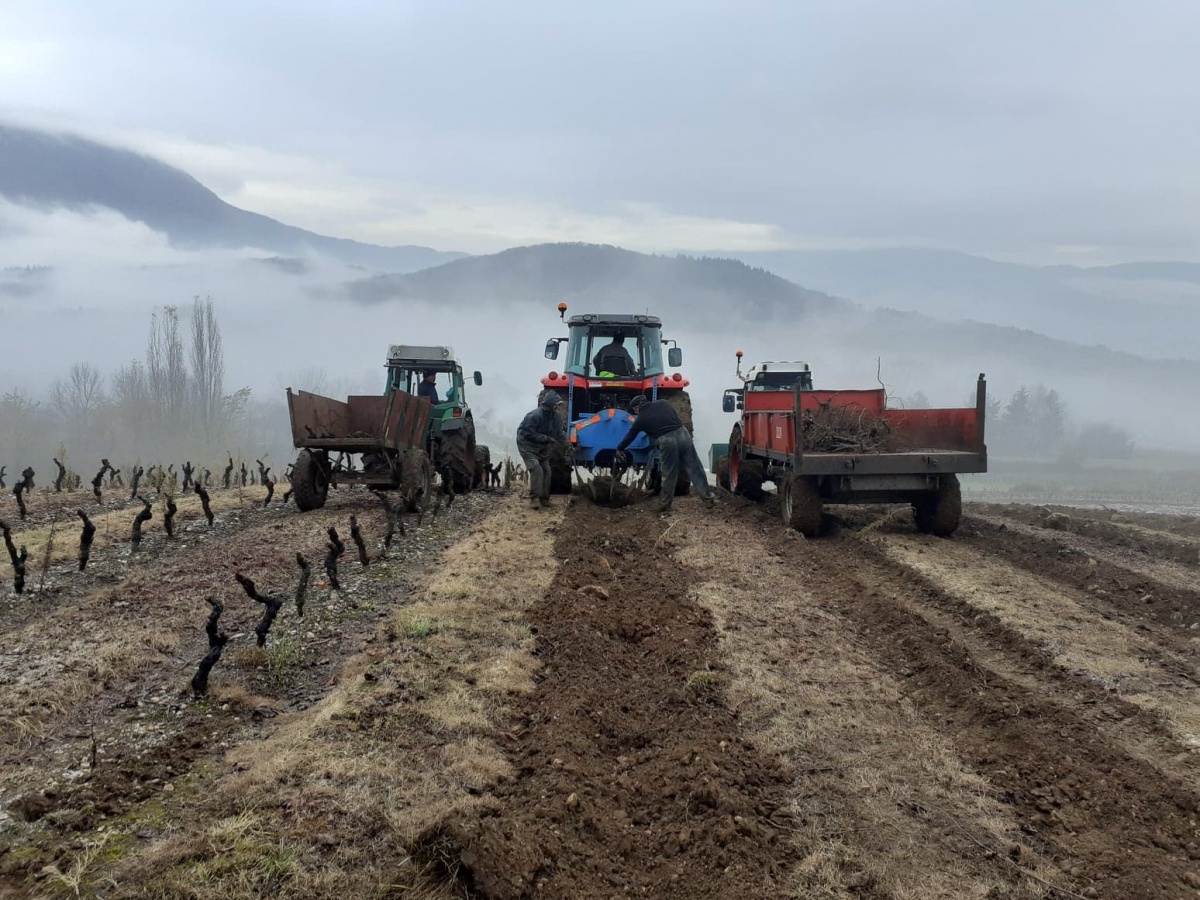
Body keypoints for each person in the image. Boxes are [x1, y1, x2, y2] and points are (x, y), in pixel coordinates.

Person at [615, 395, 717, 514]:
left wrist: (619, 448)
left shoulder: (641, 419)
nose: (636, 412)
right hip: (683, 434)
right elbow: (674, 416)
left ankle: (665, 505)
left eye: (635, 410)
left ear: (638, 407)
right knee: (695, 467)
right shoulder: (664, 403)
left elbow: (630, 436)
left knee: (669, 473)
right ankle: (708, 498)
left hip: (666, 441)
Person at [517, 390, 567, 509]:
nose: (559, 407)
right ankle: (533, 498)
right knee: (536, 468)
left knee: (546, 470)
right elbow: (528, 434)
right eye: (557, 404)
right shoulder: (534, 416)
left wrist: (567, 443)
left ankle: (544, 499)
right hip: (527, 445)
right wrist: (547, 438)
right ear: (550, 404)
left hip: (543, 447)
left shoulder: (556, 417)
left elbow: (559, 432)